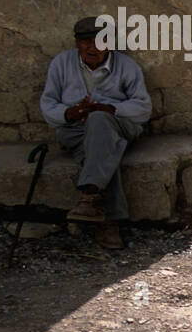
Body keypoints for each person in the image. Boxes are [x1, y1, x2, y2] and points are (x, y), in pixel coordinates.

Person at [39, 16, 153, 249]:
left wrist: (109, 109)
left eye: (99, 41)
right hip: (75, 130)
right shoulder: (61, 64)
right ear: (76, 44)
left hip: (118, 125)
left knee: (100, 122)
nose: (92, 47)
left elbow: (143, 107)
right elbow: (48, 104)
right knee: (102, 152)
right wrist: (70, 113)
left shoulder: (126, 66)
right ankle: (106, 216)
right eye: (85, 42)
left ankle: (92, 196)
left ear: (109, 44)